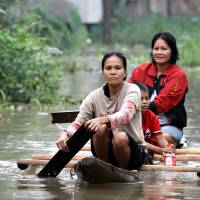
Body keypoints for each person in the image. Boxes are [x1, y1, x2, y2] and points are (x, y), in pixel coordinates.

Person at [56, 51, 149, 170]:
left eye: (118, 68)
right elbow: (79, 122)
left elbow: (124, 115)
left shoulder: (133, 90)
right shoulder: (93, 96)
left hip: (134, 152)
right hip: (107, 152)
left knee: (119, 137)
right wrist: (65, 134)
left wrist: (101, 119)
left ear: (125, 72)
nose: (113, 72)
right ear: (103, 73)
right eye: (108, 68)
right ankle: (104, 167)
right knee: (100, 129)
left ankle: (123, 171)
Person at [128, 32, 188, 147]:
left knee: (159, 139)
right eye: (156, 49)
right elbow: (128, 94)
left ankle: (172, 142)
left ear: (172, 51)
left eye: (164, 49)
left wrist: (136, 105)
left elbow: (162, 103)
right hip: (140, 124)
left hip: (168, 126)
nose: (159, 52)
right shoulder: (140, 71)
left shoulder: (179, 76)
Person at [134, 82, 168, 155]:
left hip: (146, 149)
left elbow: (160, 138)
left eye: (147, 98)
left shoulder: (151, 116)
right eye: (141, 99)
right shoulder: (127, 116)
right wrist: (159, 150)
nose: (145, 102)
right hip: (133, 147)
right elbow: (137, 141)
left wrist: (168, 148)